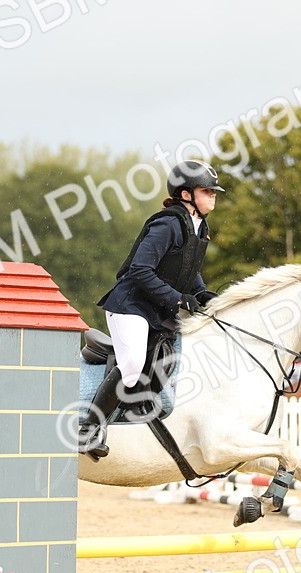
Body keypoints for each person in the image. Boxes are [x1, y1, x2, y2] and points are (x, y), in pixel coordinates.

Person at [78, 159, 226, 460]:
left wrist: (200, 292)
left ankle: (133, 412)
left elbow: (187, 268)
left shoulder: (200, 227)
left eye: (213, 191)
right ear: (186, 194)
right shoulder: (167, 224)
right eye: (206, 191)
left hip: (157, 309)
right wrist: (178, 299)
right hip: (130, 306)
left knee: (170, 358)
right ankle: (87, 430)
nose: (213, 196)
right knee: (132, 364)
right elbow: (140, 270)